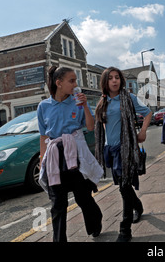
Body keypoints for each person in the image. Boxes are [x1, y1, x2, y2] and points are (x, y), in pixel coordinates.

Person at [38, 66, 104, 242]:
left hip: (75, 154)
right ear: (59, 83)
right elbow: (44, 135)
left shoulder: (78, 101)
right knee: (58, 204)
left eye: (76, 80)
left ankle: (95, 223)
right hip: (54, 157)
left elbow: (90, 127)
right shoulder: (43, 106)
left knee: (83, 198)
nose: (76, 84)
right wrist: (41, 159)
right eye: (72, 81)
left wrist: (85, 106)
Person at [94, 67, 152, 242]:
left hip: (125, 149)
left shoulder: (128, 98)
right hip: (110, 149)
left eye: (117, 77)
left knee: (124, 187)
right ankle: (138, 206)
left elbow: (148, 113)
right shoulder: (102, 102)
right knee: (123, 187)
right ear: (105, 82)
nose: (114, 80)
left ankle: (125, 230)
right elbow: (100, 125)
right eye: (110, 78)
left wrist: (143, 131)